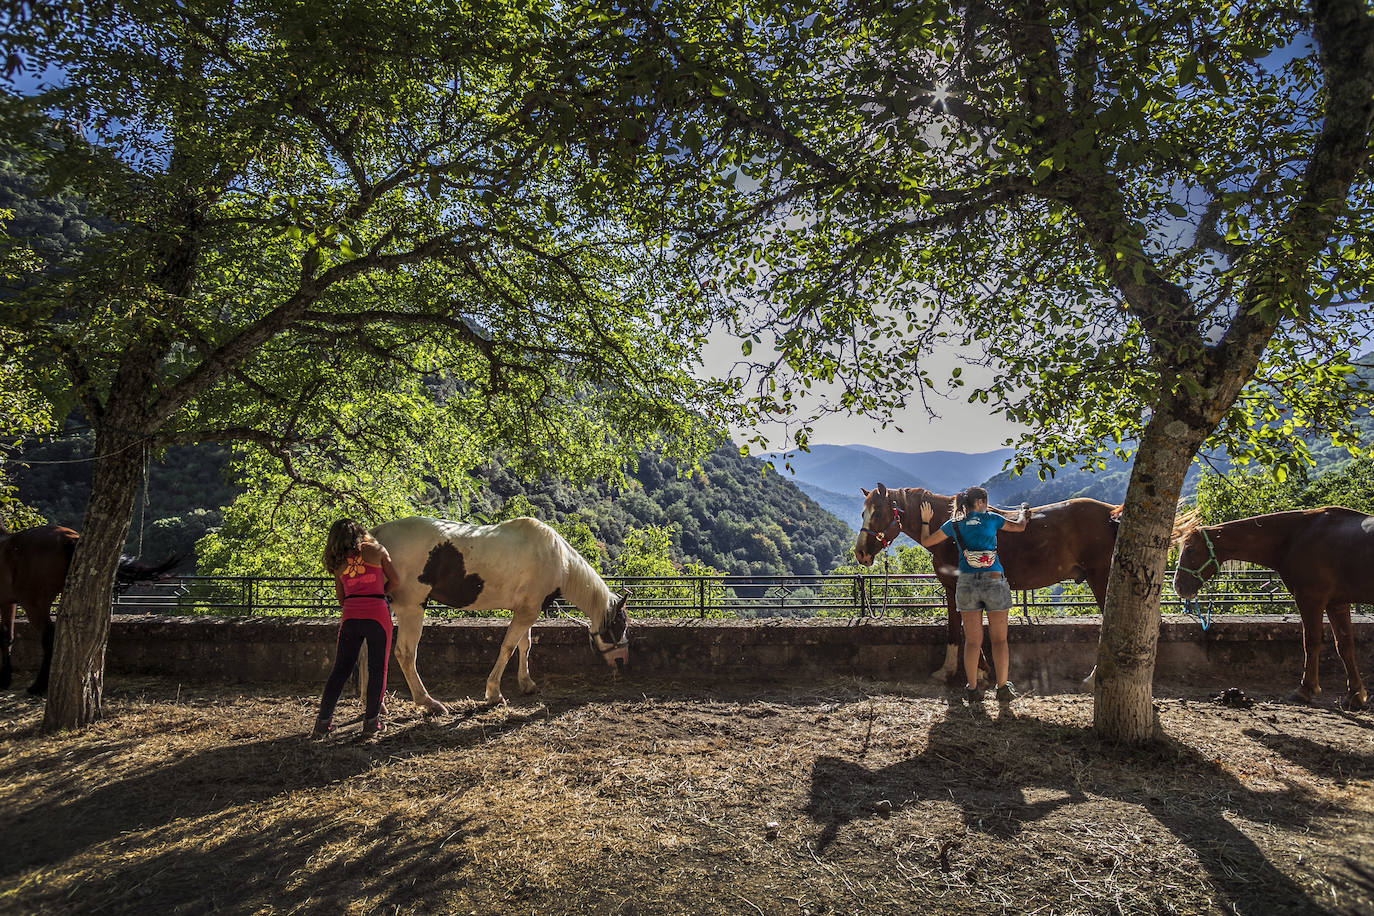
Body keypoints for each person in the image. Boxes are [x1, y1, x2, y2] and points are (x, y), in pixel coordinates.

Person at [916, 487, 1030, 705]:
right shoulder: (992, 519)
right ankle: (1003, 687)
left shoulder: (954, 524)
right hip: (994, 581)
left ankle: (972, 689)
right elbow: (1020, 527)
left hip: (967, 584)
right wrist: (1024, 511)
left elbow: (927, 541)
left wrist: (924, 521)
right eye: (986, 502)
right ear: (980, 502)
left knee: (972, 641)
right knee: (999, 640)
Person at [312, 518, 400, 739]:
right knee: (378, 668)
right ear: (359, 533)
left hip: (350, 616)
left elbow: (341, 599)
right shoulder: (377, 550)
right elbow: (396, 580)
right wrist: (382, 593)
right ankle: (371, 722)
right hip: (377, 614)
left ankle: (322, 724)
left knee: (340, 670)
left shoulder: (338, 562)